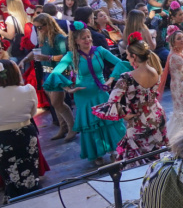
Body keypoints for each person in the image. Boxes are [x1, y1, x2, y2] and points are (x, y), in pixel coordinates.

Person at [44, 22, 128, 165]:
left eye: (89, 37)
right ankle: (96, 154)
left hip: (101, 92)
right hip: (83, 95)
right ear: (76, 40)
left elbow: (121, 63)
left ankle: (115, 150)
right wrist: (68, 88)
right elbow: (55, 73)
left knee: (110, 121)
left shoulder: (100, 51)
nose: (88, 40)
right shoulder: (71, 56)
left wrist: (111, 79)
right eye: (84, 38)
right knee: (90, 124)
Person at [92, 33, 167, 167]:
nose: (126, 58)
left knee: (137, 161)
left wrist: (125, 114)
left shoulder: (127, 77)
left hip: (138, 121)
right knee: (156, 156)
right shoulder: (155, 70)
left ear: (134, 57)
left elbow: (112, 102)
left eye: (127, 55)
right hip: (156, 115)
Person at [26, 14, 74, 140]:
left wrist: (48, 58)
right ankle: (63, 127)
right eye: (36, 27)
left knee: (57, 102)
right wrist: (25, 59)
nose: (38, 30)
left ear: (49, 24)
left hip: (59, 73)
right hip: (47, 72)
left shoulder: (59, 38)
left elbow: (66, 56)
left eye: (40, 27)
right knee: (55, 104)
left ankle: (72, 127)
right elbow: (36, 50)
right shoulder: (43, 36)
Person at [0, 60, 41, 198]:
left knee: (10, 175)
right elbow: (33, 112)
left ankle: (15, 198)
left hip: (3, 138)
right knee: (30, 170)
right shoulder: (28, 90)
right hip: (26, 133)